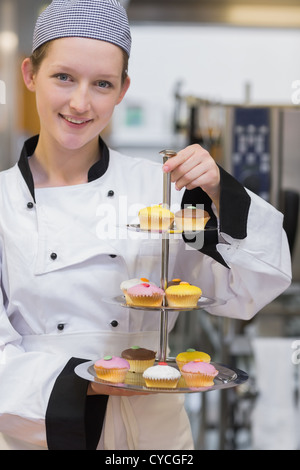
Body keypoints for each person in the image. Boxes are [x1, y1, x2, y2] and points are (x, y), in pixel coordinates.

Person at [0, 0, 291, 450]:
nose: (80, 102)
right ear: (30, 75)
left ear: (122, 89)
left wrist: (221, 192)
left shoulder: (163, 192)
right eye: (63, 77)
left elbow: (253, 287)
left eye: (102, 84)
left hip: (158, 437)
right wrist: (91, 384)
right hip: (44, 431)